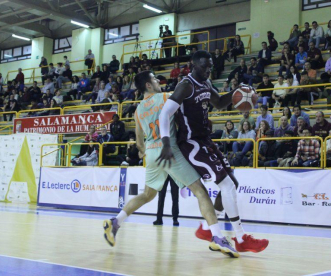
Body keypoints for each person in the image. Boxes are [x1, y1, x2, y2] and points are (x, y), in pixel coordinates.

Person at [104, 70, 239, 258]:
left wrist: (145, 151)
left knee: (147, 195)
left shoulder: (138, 110)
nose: (158, 81)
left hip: (151, 153)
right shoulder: (166, 97)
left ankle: (116, 221)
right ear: (149, 86)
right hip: (169, 151)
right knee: (201, 191)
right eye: (154, 79)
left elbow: (139, 142)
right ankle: (217, 238)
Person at [157, 50, 269, 253]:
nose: (209, 69)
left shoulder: (206, 83)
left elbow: (218, 103)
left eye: (210, 66)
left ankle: (206, 229)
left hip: (206, 140)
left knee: (232, 182)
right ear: (193, 65)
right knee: (226, 184)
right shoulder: (186, 86)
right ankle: (241, 238)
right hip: (191, 143)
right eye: (204, 66)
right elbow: (164, 113)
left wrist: (239, 93)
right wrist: (166, 143)